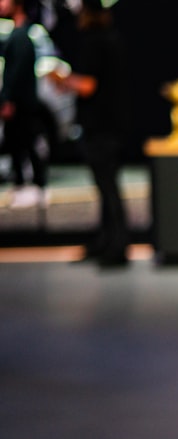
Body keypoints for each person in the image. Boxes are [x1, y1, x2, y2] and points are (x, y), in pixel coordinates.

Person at [47, 0, 130, 267]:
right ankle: (108, 241)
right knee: (106, 187)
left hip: (100, 126)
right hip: (109, 123)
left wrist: (63, 80)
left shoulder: (96, 42)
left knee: (108, 187)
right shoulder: (110, 39)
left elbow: (88, 86)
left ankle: (117, 245)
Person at [0, 0, 48, 209]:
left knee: (24, 143)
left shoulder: (22, 35)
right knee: (20, 143)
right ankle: (29, 185)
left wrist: (8, 99)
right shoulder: (19, 32)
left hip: (21, 102)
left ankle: (35, 186)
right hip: (23, 100)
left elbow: (15, 72)